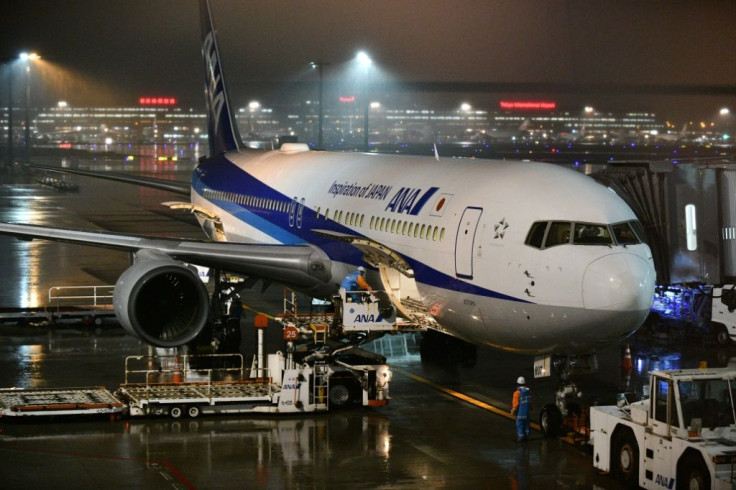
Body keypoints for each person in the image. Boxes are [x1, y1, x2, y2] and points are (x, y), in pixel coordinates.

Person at [511, 376, 532, 442]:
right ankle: (527, 437)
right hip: (527, 414)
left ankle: (520, 438)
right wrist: (531, 408)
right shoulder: (529, 391)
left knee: (520, 426)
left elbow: (516, 404)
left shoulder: (517, 393)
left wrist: (513, 411)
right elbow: (531, 401)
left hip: (520, 414)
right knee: (527, 426)